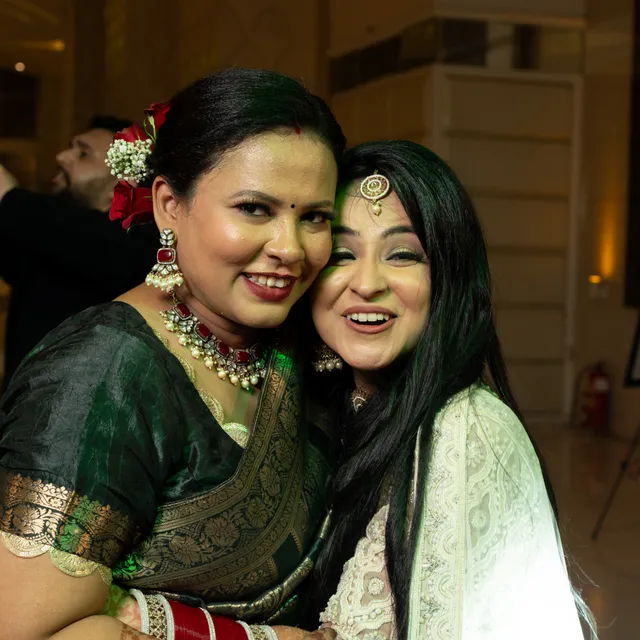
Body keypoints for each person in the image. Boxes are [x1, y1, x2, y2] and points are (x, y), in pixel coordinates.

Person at [0, 68, 345, 640]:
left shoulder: (304, 346)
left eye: (314, 217)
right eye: (254, 209)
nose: (290, 249)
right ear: (168, 205)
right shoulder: (103, 370)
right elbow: (28, 630)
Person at [300, 141, 595, 639]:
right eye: (342, 253)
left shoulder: (465, 430)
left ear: (448, 279)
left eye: (402, 255)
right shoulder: (325, 408)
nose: (366, 283)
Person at [0, 115, 158, 388]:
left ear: (124, 183)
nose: (61, 156)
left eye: (84, 154)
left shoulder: (137, 245)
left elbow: (105, 246)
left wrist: (8, 197)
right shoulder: (50, 241)